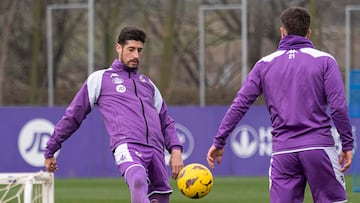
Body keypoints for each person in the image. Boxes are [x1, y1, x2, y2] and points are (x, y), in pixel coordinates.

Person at [206, 6, 353, 203]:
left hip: (283, 153)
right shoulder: (325, 61)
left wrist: (219, 140)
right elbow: (338, 106)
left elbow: (240, 104)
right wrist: (347, 143)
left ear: (282, 31)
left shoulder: (264, 64)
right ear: (308, 32)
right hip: (319, 149)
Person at [44, 27, 184, 203]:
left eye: (139, 50)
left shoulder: (148, 84)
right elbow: (73, 117)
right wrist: (51, 149)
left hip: (156, 150)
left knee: (161, 197)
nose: (136, 55)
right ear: (119, 48)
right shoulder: (100, 79)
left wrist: (176, 151)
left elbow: (166, 122)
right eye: (131, 50)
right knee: (138, 179)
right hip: (128, 145)